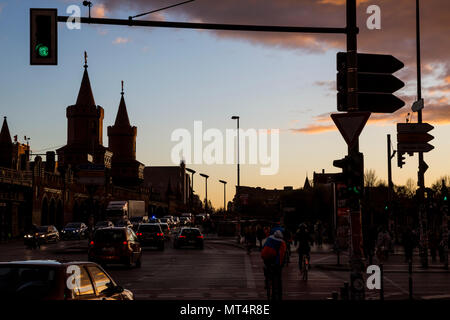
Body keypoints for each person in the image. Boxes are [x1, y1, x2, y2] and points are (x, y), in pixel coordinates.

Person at [261, 230, 286, 300]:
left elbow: (263, 247)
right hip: (274, 258)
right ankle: (279, 295)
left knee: (266, 266)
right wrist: (280, 264)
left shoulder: (269, 238)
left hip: (265, 256)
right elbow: (281, 255)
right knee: (278, 277)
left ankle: (266, 280)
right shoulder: (282, 242)